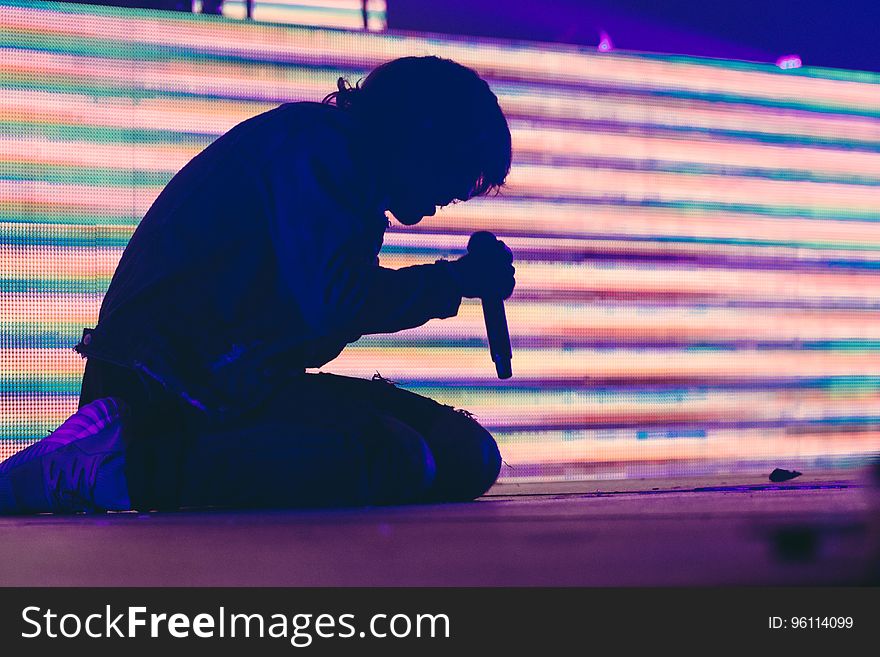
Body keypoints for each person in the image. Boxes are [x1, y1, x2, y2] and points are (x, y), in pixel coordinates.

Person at [0, 56, 515, 514]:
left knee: (464, 454)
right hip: (161, 392)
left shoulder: (343, 169)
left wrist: (452, 282)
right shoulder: (320, 150)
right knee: (394, 458)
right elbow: (335, 302)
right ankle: (117, 462)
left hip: (236, 385)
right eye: (456, 173)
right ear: (421, 137)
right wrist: (455, 281)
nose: (451, 195)